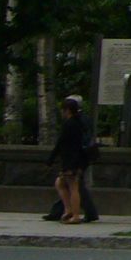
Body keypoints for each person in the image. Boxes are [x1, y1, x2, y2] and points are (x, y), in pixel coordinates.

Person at [47, 96, 90, 224]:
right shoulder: (80, 123)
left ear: (67, 110)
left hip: (71, 160)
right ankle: (69, 210)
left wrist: (51, 158)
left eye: (63, 110)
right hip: (78, 159)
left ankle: (75, 214)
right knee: (60, 183)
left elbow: (61, 143)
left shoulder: (69, 124)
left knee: (73, 187)